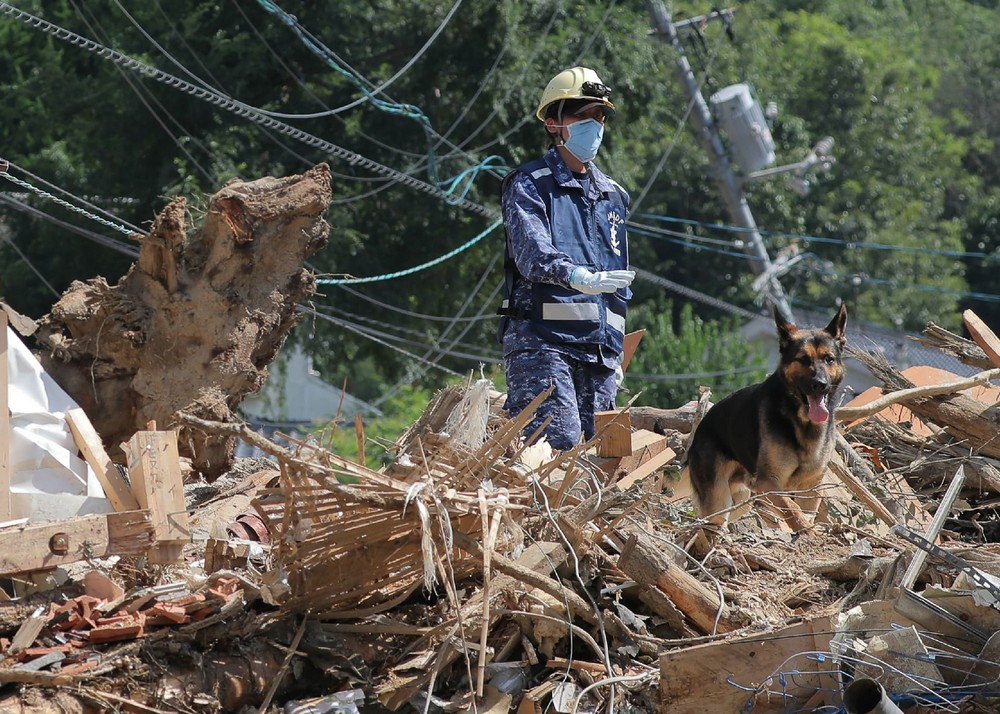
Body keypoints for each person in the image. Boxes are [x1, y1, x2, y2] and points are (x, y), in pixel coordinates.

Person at [498, 66, 635, 451]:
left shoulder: (613, 196)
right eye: (583, 114)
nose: (594, 124)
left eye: (599, 116)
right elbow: (532, 255)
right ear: (554, 123)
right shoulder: (529, 183)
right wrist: (578, 276)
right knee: (553, 456)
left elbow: (617, 287)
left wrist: (616, 349)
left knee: (599, 461)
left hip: (600, 353)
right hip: (543, 343)